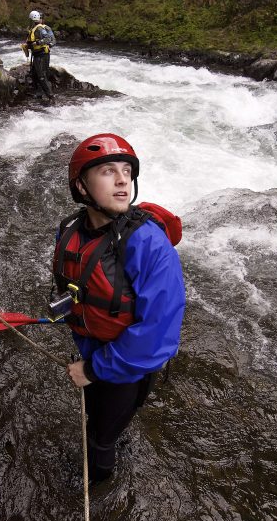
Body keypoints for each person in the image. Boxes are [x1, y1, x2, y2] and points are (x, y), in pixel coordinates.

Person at [53, 133, 185, 484]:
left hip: (127, 368)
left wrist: (92, 369)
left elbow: (156, 335)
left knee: (101, 438)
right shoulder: (69, 230)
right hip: (92, 349)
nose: (123, 180)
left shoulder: (150, 245)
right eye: (108, 171)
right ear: (81, 186)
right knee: (95, 418)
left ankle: (98, 484)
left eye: (127, 171)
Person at [22, 10, 56, 103]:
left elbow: (51, 40)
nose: (40, 20)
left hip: (42, 55)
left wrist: (41, 44)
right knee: (34, 74)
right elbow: (31, 41)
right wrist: (28, 46)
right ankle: (39, 93)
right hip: (37, 54)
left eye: (41, 18)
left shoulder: (43, 29)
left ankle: (51, 97)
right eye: (39, 18)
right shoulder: (34, 28)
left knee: (42, 76)